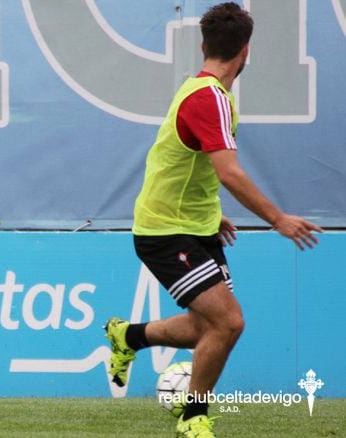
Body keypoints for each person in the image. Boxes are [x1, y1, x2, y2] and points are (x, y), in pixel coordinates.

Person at [103, 3, 322, 437]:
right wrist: (277, 218)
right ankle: (193, 418)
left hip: (195, 224)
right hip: (165, 232)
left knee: (208, 327)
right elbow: (229, 171)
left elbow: (181, 162)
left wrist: (212, 210)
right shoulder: (208, 98)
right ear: (246, 51)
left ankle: (128, 336)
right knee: (229, 322)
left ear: (204, 46)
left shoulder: (204, 93)